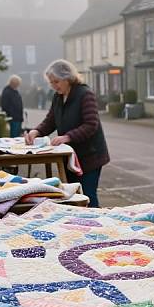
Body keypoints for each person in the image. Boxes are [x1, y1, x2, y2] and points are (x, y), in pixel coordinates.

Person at [24, 59, 109, 207]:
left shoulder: (85, 94)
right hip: (70, 156)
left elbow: (91, 125)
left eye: (56, 82)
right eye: (51, 82)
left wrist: (68, 137)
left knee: (87, 196)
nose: (53, 86)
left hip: (90, 156)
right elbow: (51, 120)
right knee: (73, 196)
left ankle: (98, 225)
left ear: (67, 78)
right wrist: (36, 131)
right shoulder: (58, 97)